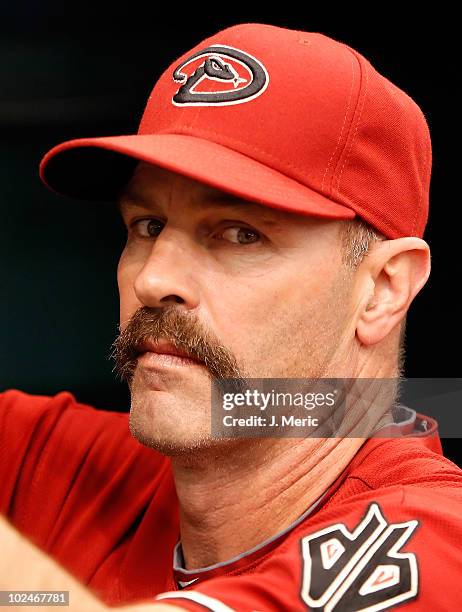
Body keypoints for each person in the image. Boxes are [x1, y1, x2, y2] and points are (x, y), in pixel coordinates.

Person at [1, 21, 461, 611]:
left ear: (382, 290)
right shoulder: (61, 468)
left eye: (240, 235)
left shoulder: (433, 550)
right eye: (148, 225)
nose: (153, 279)